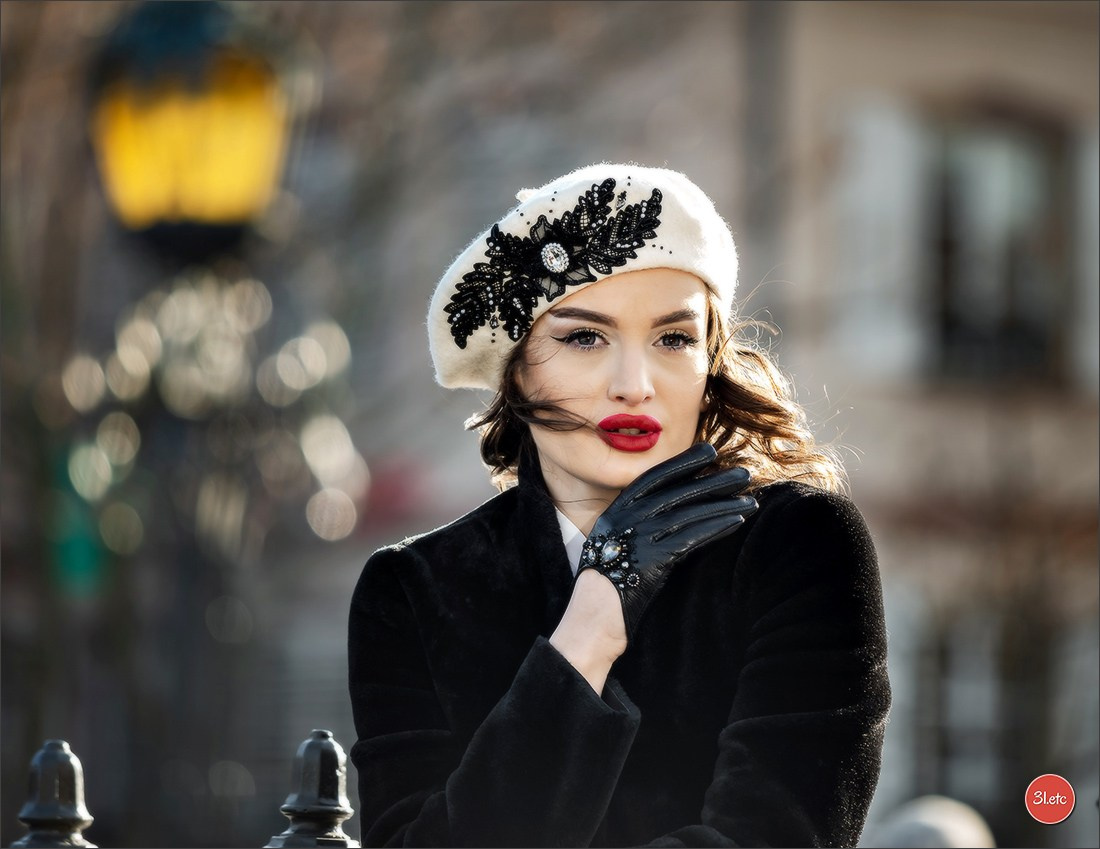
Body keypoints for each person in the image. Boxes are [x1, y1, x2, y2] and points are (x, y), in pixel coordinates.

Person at [347, 163, 891, 847]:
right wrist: (593, 623)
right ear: (516, 367)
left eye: (673, 338)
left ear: (711, 356)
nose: (635, 384)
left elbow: (779, 832)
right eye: (584, 337)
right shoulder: (413, 588)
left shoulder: (799, 544)